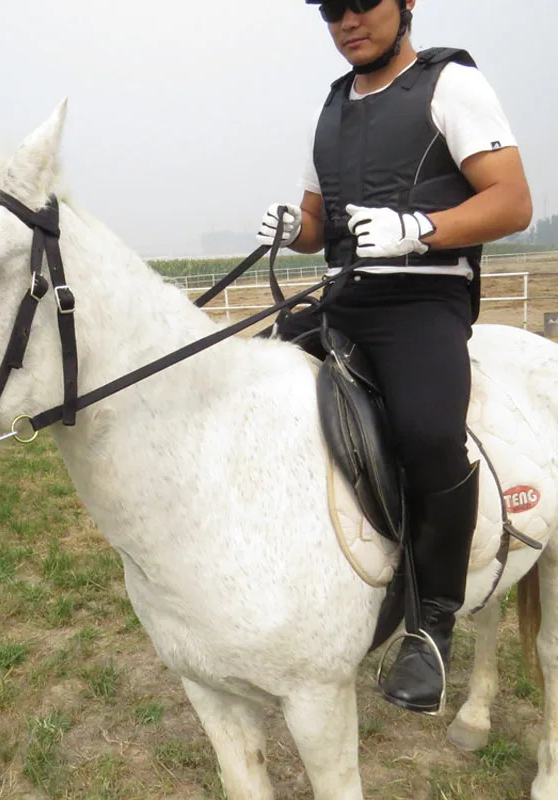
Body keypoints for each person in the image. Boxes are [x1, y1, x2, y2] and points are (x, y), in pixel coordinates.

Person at [257, 0, 532, 714]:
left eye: (363, 3)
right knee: (252, 386)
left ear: (407, 4)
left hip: (422, 306)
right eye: (331, 9)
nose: (348, 20)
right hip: (345, 300)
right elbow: (321, 226)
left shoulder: (452, 85)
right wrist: (295, 229)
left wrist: (420, 227)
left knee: (426, 435)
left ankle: (432, 625)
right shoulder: (329, 110)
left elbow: (512, 202)